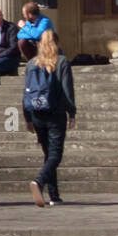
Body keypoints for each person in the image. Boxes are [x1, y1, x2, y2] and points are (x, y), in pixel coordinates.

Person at [24, 29, 76, 207]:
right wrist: (72, 112)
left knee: (48, 154)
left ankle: (54, 195)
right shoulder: (61, 62)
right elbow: (67, 90)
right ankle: (39, 181)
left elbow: (26, 92)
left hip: (37, 113)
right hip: (55, 113)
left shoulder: (31, 64)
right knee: (56, 155)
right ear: (56, 43)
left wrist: (27, 117)